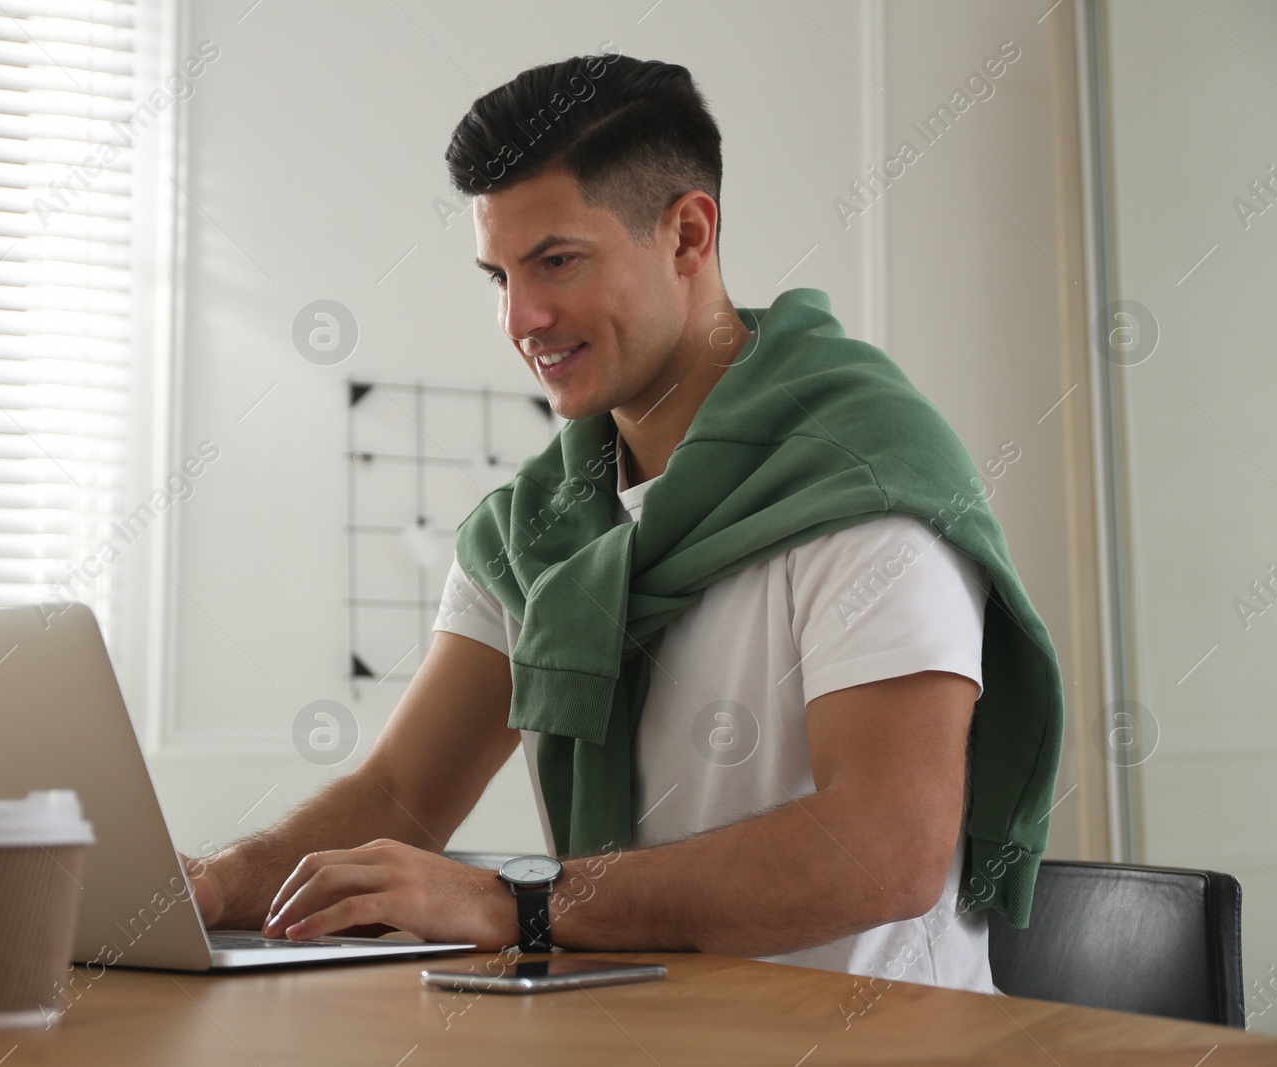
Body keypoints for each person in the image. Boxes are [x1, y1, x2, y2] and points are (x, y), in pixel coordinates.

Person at [187, 52, 1062, 992]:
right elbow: (399, 794)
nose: (523, 316)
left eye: (556, 261)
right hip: (628, 1029)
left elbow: (887, 847)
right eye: (498, 276)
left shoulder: (863, 479)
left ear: (687, 235)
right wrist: (202, 887)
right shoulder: (534, 531)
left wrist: (520, 904)